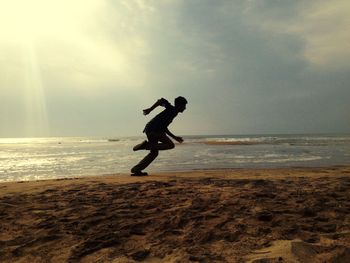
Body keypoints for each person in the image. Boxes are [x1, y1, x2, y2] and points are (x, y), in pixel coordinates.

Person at [131, 96, 188, 176]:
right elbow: (161, 100)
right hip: (154, 130)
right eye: (184, 106)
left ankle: (136, 169)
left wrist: (175, 137)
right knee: (170, 145)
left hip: (151, 129)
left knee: (154, 153)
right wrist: (150, 110)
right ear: (179, 105)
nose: (185, 108)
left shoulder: (173, 112)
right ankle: (147, 145)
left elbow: (164, 127)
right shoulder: (172, 110)